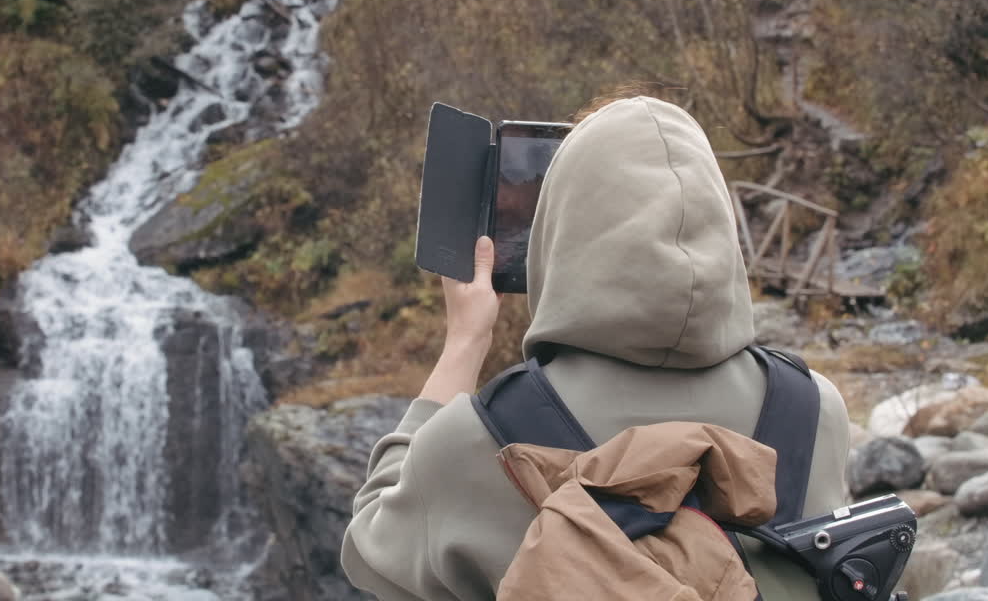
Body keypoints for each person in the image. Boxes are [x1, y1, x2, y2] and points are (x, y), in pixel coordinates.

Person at [341, 95, 851, 600]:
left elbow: (370, 555)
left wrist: (466, 341)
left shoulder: (477, 441)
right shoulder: (816, 411)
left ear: (558, 232)